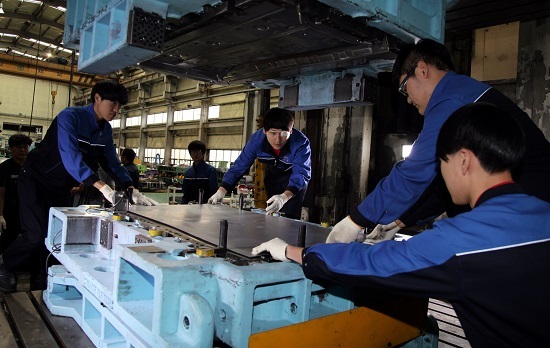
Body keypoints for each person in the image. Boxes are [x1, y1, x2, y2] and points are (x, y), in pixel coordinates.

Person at [252, 103, 550, 347]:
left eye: (440, 165)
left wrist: (296, 252)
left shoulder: (461, 241)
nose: (441, 177)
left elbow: (374, 264)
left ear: (463, 161)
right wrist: (400, 221)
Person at [326, 38, 550, 243]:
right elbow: (444, 184)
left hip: (528, 213)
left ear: (422, 70)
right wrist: (398, 221)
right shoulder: (463, 92)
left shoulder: (451, 99)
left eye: (405, 90)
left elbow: (414, 172)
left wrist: (356, 220)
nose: (408, 101)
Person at [0, 79, 158, 293]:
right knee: (35, 235)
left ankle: (42, 275)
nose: (117, 109)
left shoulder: (105, 131)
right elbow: (70, 157)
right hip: (35, 180)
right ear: (97, 98)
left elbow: (112, 162)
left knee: (56, 234)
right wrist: (101, 186)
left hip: (60, 186)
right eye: (113, 103)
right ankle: (5, 264)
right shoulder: (70, 117)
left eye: (120, 106)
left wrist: (130, 186)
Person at [207, 108, 311, 219]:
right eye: (273, 133)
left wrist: (285, 197)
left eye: (283, 133)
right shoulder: (257, 141)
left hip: (294, 181)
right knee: (272, 213)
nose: (278, 139)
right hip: (272, 175)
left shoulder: (301, 143)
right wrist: (222, 191)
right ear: (264, 131)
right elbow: (239, 166)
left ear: (291, 131)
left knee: (289, 216)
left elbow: (301, 172)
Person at [0, 134, 32, 253]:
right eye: (18, 147)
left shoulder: (33, 166)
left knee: (29, 240)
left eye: (25, 146)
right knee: (7, 240)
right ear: (11, 149)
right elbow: (1, 194)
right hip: (10, 212)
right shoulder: (4, 168)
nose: (23, 150)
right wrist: (0, 215)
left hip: (29, 211)